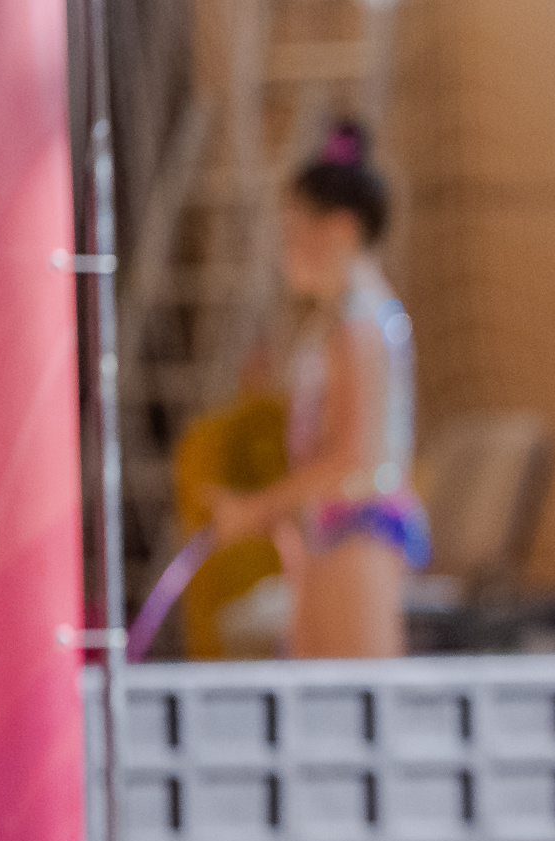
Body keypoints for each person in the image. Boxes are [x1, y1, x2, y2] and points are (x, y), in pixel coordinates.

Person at [210, 120, 426, 657]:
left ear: (342, 230)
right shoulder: (341, 320)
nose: (287, 246)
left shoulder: (361, 321)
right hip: (332, 531)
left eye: (295, 228)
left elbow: (354, 457)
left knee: (356, 710)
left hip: (360, 532)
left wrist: (259, 507)